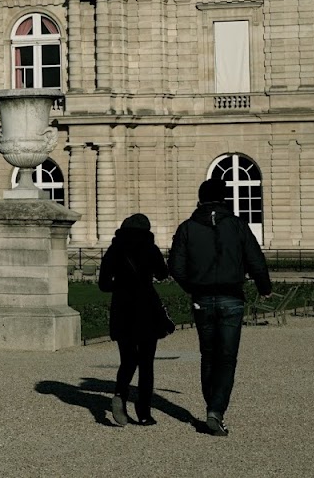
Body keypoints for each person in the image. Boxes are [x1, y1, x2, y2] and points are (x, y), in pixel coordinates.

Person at [169, 178, 272, 437]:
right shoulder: (237, 225)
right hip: (231, 298)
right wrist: (264, 287)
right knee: (226, 359)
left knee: (208, 356)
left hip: (202, 299)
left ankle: (211, 406)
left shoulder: (187, 228)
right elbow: (255, 260)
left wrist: (193, 287)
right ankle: (216, 410)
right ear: (224, 199)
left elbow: (176, 268)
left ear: (200, 199)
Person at [99, 214, 169, 427]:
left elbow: (103, 284)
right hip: (146, 308)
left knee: (128, 358)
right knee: (147, 363)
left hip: (123, 308)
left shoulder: (114, 249)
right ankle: (144, 413)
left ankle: (120, 394)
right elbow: (163, 274)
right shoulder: (150, 248)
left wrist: (120, 286)